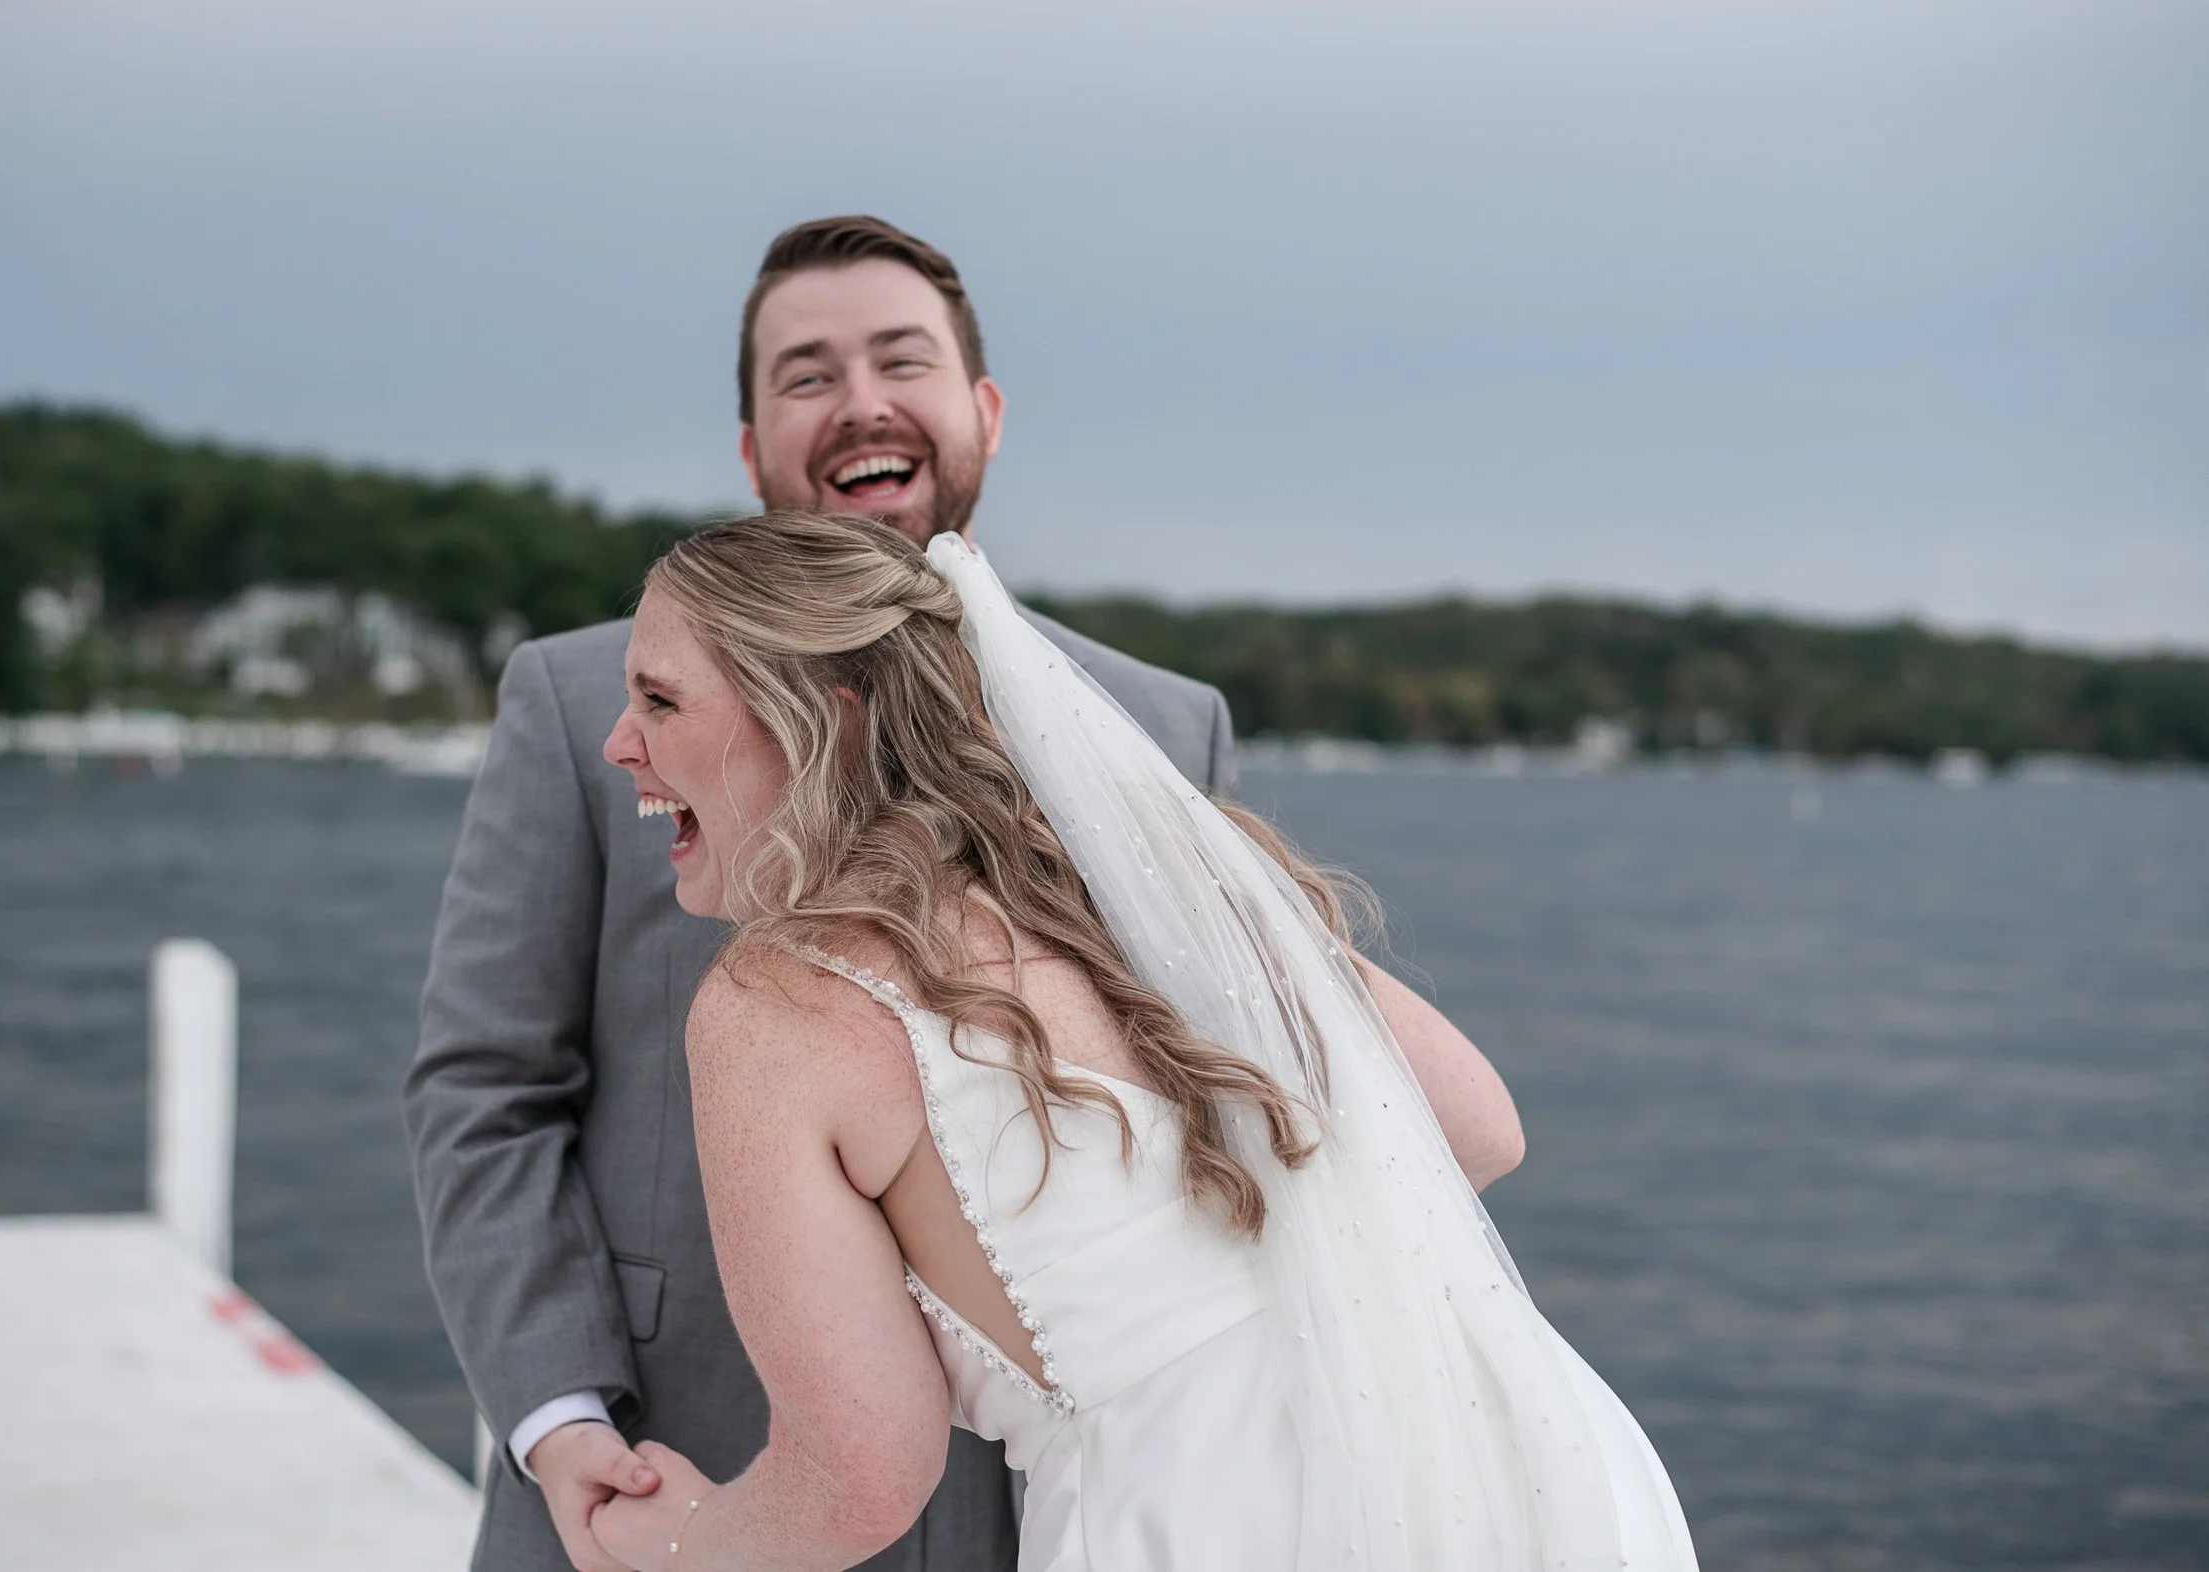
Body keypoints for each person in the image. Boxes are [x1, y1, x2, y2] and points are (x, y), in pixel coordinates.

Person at [584, 513, 1698, 1571]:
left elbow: (864, 1476)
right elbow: (1477, 1130)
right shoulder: (1148, 882)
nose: (617, 741)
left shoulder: (777, 1007)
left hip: (1213, 1519)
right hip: (1521, 1460)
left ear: (824, 718)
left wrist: (675, 1543)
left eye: (660, 700)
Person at [403, 217, 1239, 1572]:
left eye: (900, 360)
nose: (860, 401)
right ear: (750, 448)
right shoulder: (580, 705)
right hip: (677, 1466)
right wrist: (561, 1418)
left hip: (1053, 1519)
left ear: (982, 411)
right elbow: (483, 1090)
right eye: (806, 373)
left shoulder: (1156, 730)